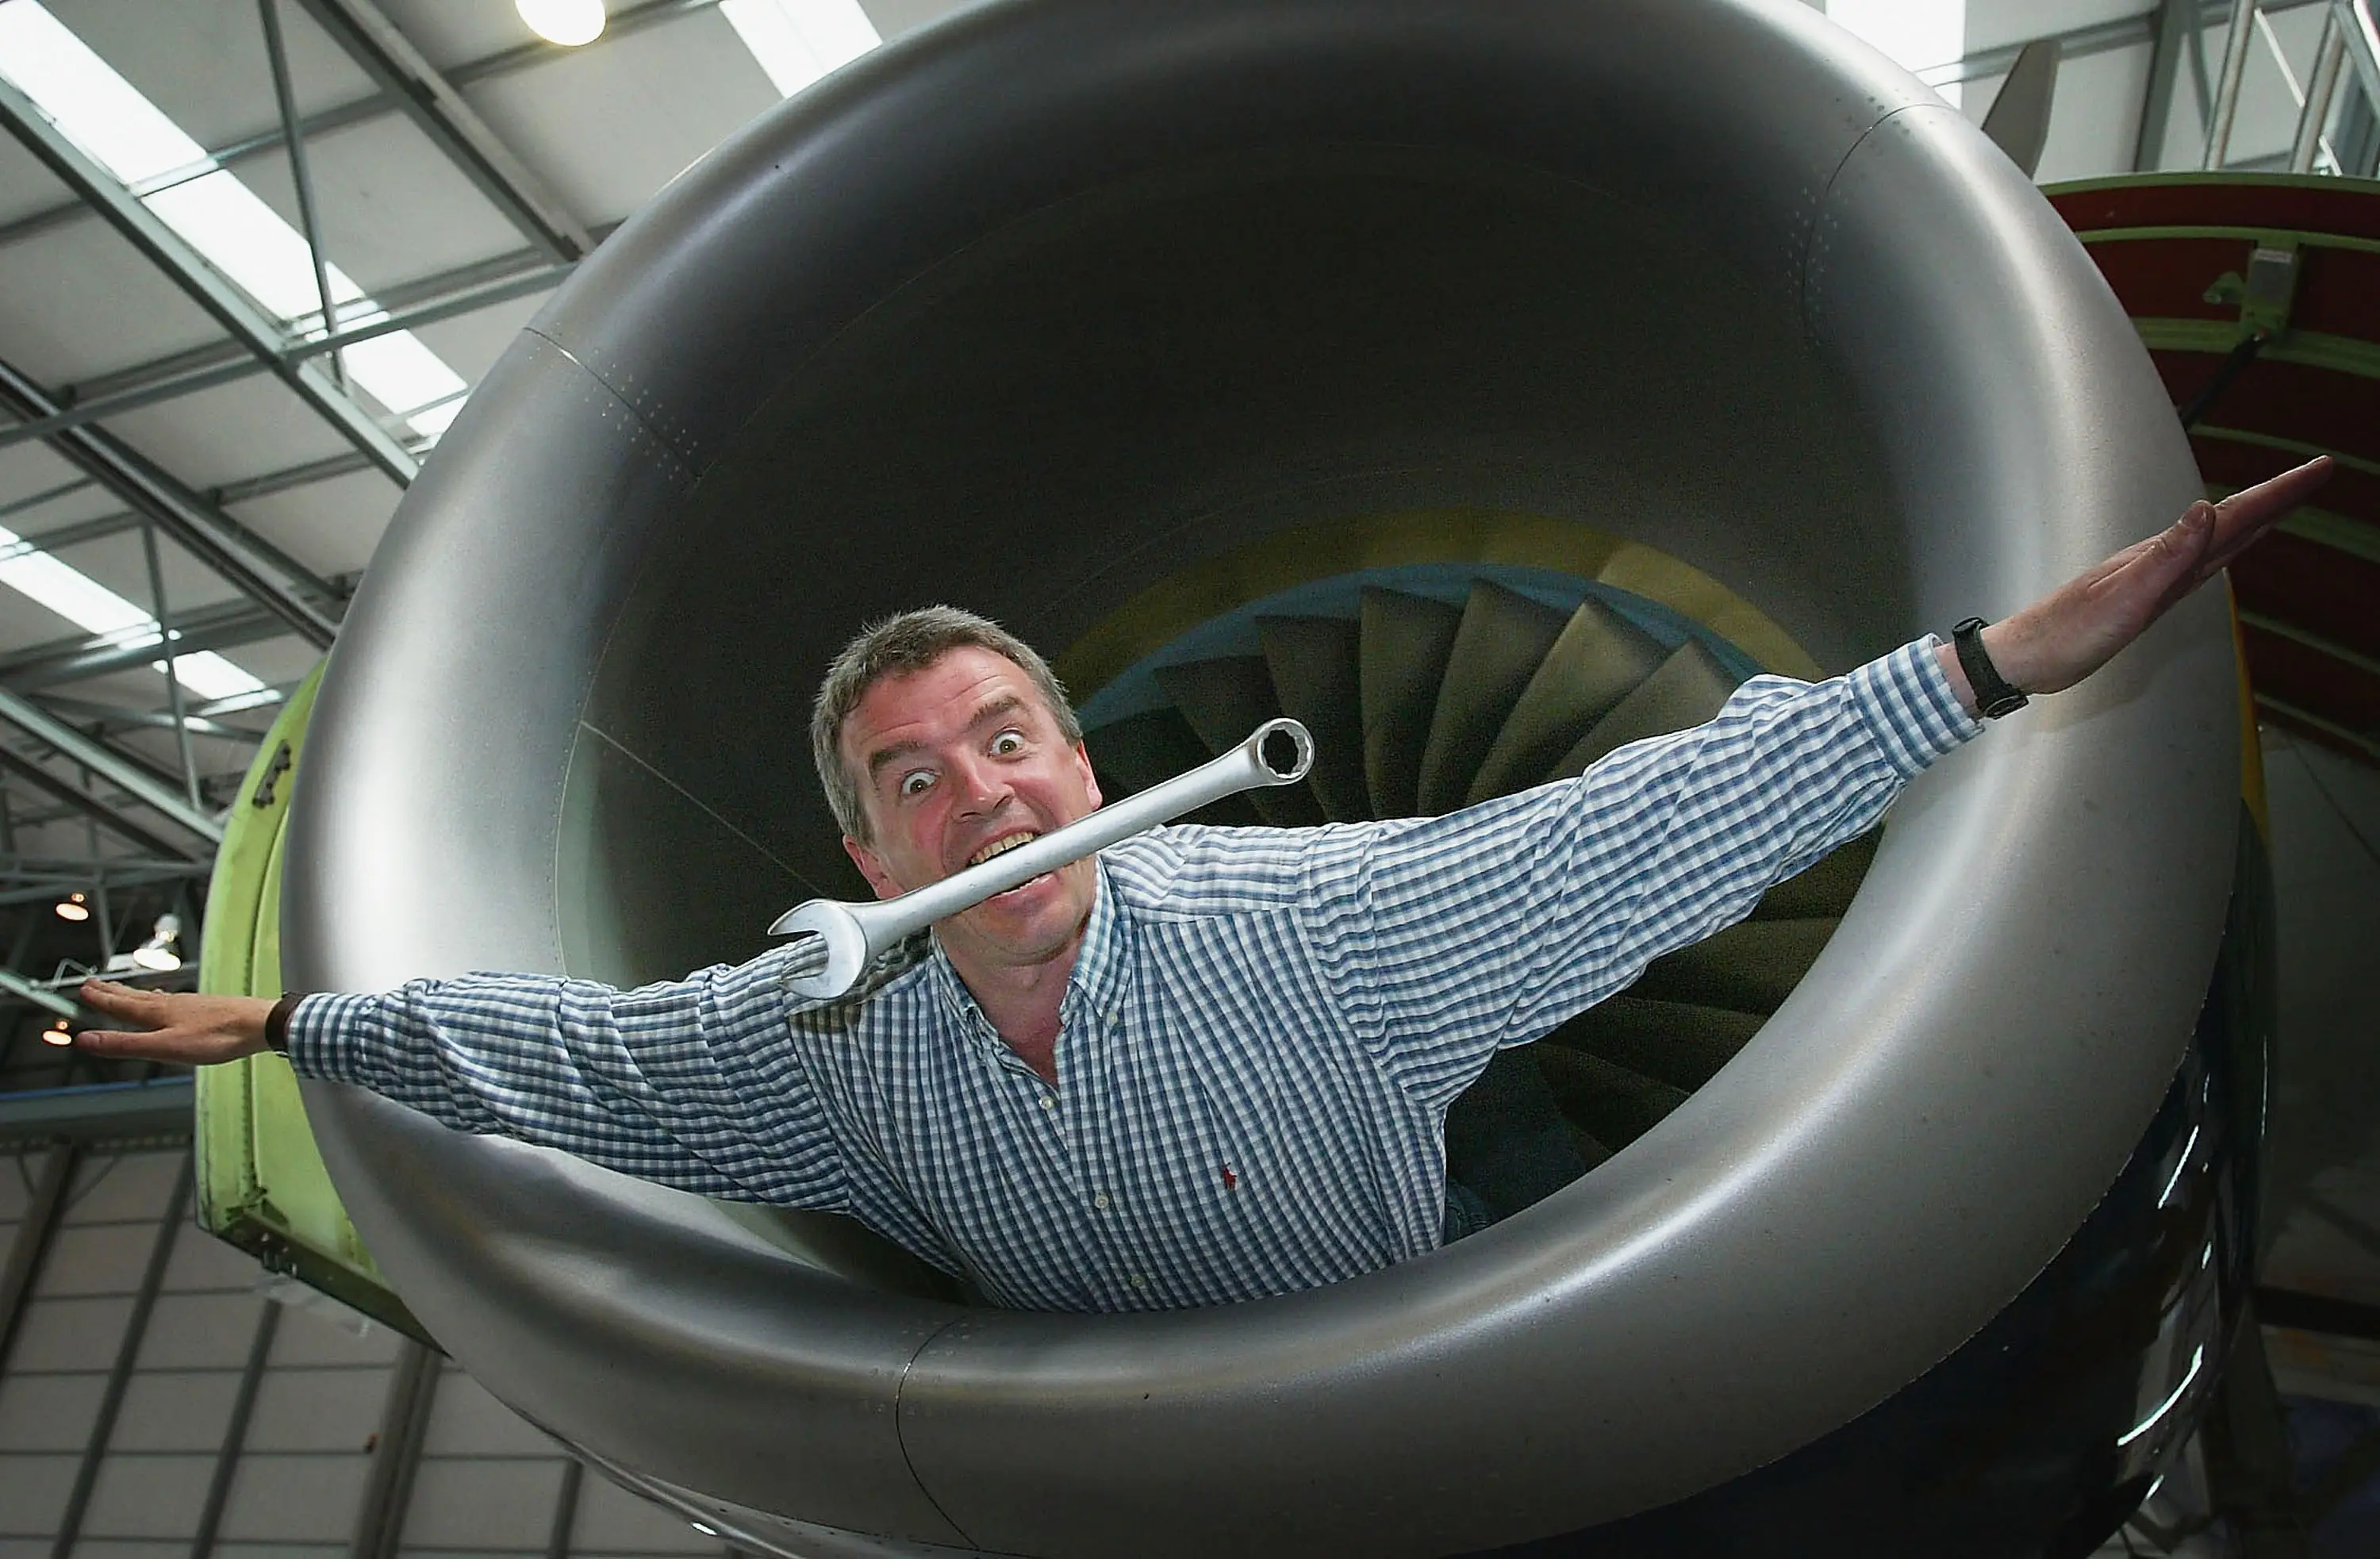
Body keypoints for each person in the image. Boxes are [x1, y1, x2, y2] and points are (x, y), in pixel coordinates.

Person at [78, 458, 2332, 1312]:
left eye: (1012, 742)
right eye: (916, 781)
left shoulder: (1316, 925)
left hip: (1446, 1343)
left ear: (1083, 757)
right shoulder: (823, 1048)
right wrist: (293, 1019)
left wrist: (1982, 666)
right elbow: (577, 1049)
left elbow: (1645, 825)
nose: (979, 799)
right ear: (863, 851)